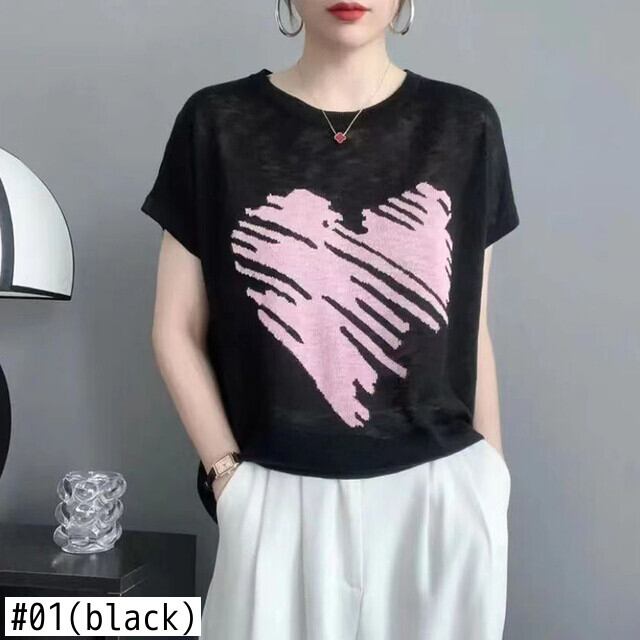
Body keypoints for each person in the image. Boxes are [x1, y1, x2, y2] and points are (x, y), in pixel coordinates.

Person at [140, 1, 520, 638]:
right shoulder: (217, 122)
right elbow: (174, 329)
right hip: (275, 494)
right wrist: (230, 479)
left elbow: (469, 326)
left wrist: (489, 479)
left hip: (440, 495)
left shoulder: (465, 125)